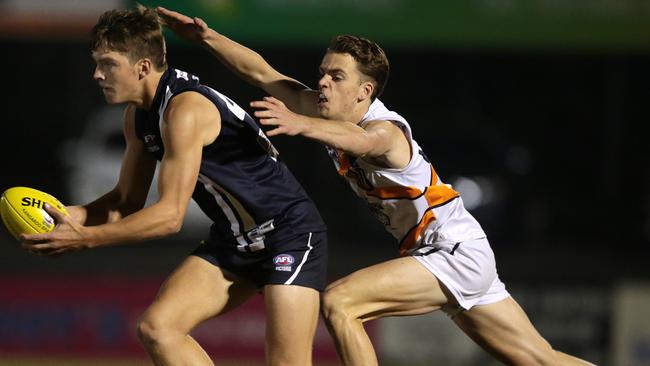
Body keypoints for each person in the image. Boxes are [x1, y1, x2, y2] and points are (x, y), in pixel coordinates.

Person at [157, 7, 597, 366]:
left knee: (341, 302)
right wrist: (207, 37)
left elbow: (362, 141)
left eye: (336, 77)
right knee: (541, 359)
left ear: (365, 90)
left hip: (452, 253)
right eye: (323, 73)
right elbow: (263, 73)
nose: (323, 82)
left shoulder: (385, 130)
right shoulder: (328, 110)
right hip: (456, 252)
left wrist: (300, 123)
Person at [21, 6, 328, 366]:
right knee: (158, 328)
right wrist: (66, 216)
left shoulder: (185, 110)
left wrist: (85, 238)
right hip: (236, 240)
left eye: (107, 63)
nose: (97, 74)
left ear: (142, 68)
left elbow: (169, 217)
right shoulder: (138, 116)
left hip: (289, 233)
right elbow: (126, 199)